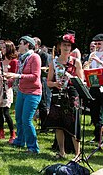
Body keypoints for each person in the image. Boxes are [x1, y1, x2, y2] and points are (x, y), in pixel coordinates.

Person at [44, 33, 83, 161]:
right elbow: (48, 81)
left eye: (69, 45)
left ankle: (77, 154)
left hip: (72, 94)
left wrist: (71, 78)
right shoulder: (53, 62)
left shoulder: (76, 62)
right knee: (58, 124)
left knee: (73, 124)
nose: (66, 47)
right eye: (64, 45)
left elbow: (81, 81)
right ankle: (62, 151)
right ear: (59, 46)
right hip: (58, 94)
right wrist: (55, 84)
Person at [6, 35, 42, 153]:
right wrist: (8, 79)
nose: (18, 46)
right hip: (22, 91)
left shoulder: (35, 57)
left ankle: (33, 147)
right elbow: (17, 74)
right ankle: (20, 141)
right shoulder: (22, 58)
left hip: (33, 93)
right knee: (19, 118)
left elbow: (35, 77)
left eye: (20, 44)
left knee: (26, 120)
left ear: (27, 45)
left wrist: (18, 76)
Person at [0, 40, 17, 143]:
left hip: (7, 88)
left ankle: (12, 133)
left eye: (3, 48)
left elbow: (14, 76)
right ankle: (1, 132)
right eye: (1, 48)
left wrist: (6, 78)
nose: (1, 49)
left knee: (6, 112)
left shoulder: (14, 61)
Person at [83, 33, 103, 143]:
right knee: (94, 112)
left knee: (101, 114)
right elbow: (87, 68)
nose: (97, 46)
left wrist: (99, 61)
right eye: (96, 44)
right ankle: (97, 136)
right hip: (94, 85)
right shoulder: (92, 54)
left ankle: (100, 137)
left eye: (99, 43)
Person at [34, 37, 50, 131]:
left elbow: (45, 67)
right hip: (33, 81)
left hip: (41, 80)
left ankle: (44, 126)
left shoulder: (43, 55)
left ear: (38, 45)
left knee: (42, 103)